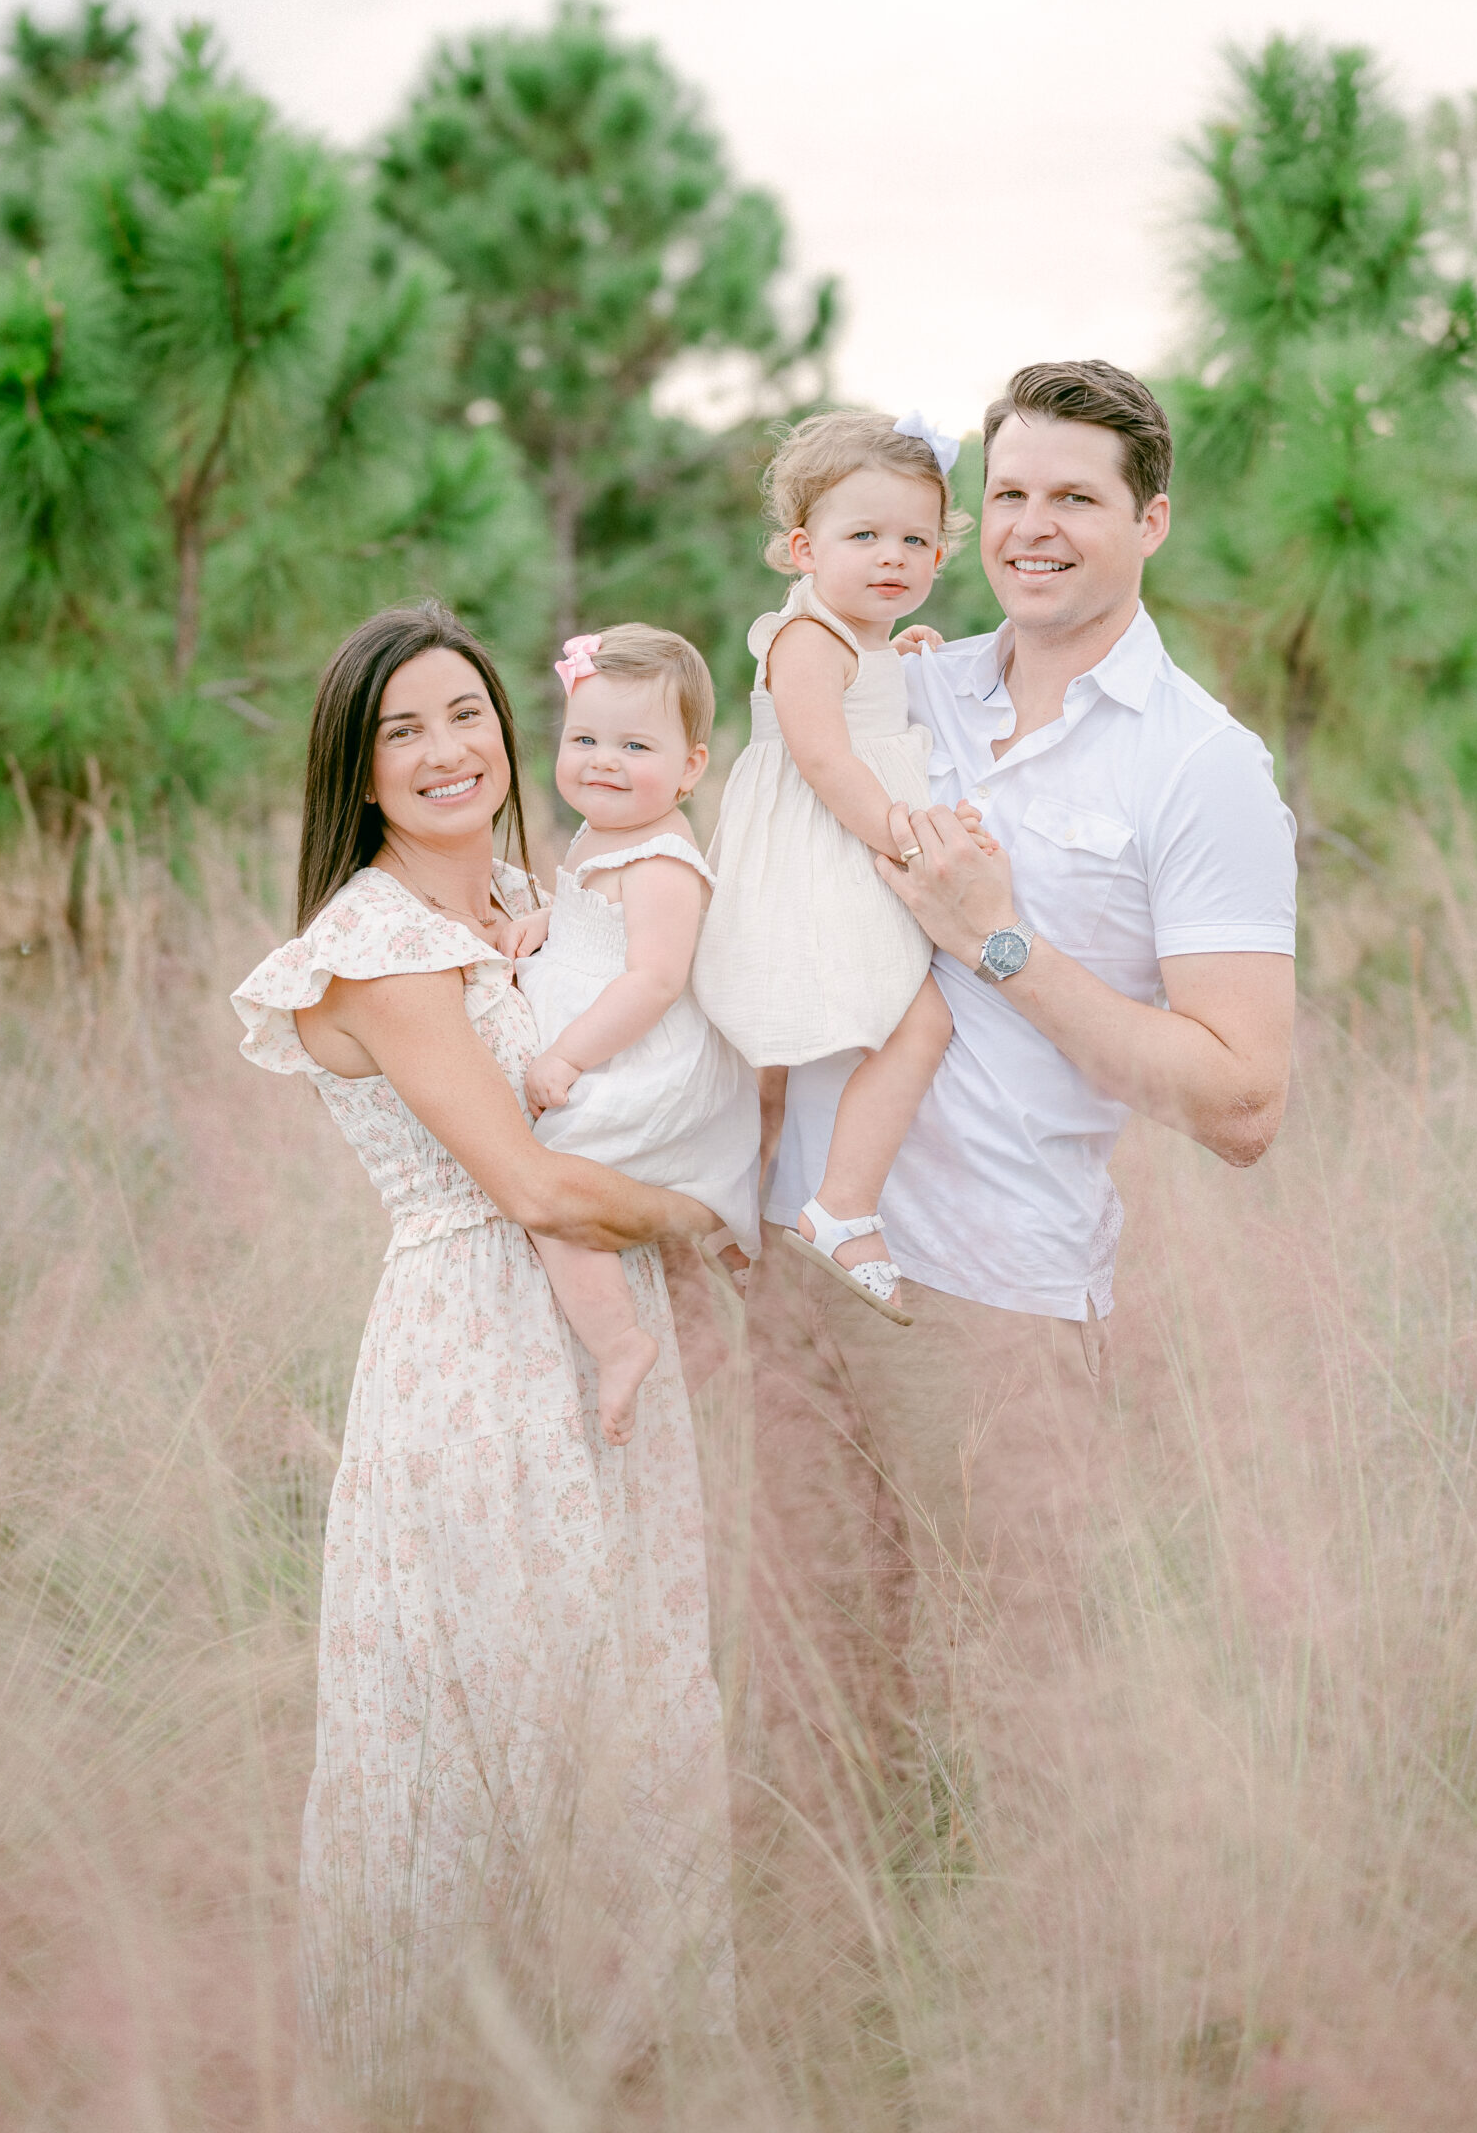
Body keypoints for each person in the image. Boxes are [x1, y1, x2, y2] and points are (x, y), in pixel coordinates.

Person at [752, 359, 1299, 1775]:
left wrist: (1003, 947)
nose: (1031, 527)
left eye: (1075, 497)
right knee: (794, 1703)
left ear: (1152, 521)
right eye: (1007, 495)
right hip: (787, 1261)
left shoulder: (1200, 767)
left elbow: (1244, 1102)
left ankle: (1038, 1995)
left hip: (992, 1305)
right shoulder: (909, 686)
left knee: (1015, 1718)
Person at [229, 601, 733, 2088]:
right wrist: (700, 1223)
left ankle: (626, 2068)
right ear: (360, 773)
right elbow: (519, 1181)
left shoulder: (536, 893)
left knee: (628, 1696)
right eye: (404, 731)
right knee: (487, 1711)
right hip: (475, 1354)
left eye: (466, 714)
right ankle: (447, 2077)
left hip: (596, 1334)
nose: (448, 750)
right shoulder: (375, 944)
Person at [693, 408, 978, 1323]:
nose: (892, 556)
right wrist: (905, 836)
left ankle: (797, 1211)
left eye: (915, 539)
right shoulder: (805, 640)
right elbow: (823, 759)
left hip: (849, 849)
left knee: (879, 1025)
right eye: (864, 536)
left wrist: (899, 655)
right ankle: (834, 1208)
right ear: (801, 551)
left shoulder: (857, 639)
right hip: (825, 856)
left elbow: (866, 708)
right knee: (904, 1019)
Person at [497, 624, 759, 1444]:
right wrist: (549, 916)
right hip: (610, 1039)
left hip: (642, 1060)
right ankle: (704, 1322)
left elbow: (652, 977)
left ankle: (618, 1343)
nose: (603, 761)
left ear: (689, 768)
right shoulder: (599, 833)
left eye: (634, 745)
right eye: (584, 739)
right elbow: (594, 920)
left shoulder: (663, 861)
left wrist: (569, 1052)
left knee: (553, 1187)